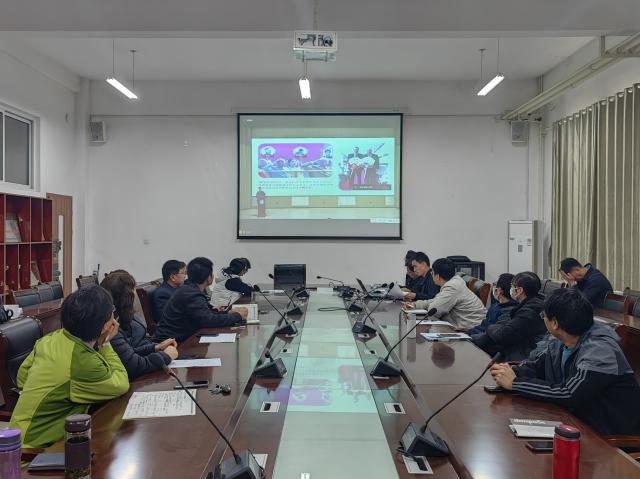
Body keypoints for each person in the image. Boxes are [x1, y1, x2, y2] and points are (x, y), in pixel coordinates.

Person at [491, 288, 640, 436]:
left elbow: (569, 394)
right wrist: (507, 371)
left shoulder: (600, 349)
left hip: (607, 435)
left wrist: (515, 383)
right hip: (574, 422)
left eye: (543, 315)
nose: (543, 319)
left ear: (555, 323)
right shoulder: (562, 340)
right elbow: (536, 367)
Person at [9, 286, 129, 448]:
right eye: (111, 312)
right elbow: (121, 384)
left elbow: (22, 378)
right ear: (105, 326)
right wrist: (106, 344)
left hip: (15, 439)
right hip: (36, 452)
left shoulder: (51, 338)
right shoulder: (83, 363)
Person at [101, 271, 179, 379]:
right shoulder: (109, 327)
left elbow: (128, 352)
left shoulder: (116, 320)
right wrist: (166, 356)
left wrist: (155, 348)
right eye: (134, 290)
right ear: (128, 297)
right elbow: (135, 366)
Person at [154, 257, 248, 342]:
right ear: (208, 278)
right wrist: (237, 315)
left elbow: (204, 314)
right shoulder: (191, 294)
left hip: (180, 338)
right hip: (171, 343)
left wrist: (227, 313)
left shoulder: (189, 289)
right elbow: (208, 320)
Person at [471, 272, 546, 361]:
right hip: (515, 349)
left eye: (512, 286)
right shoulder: (529, 305)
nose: (510, 289)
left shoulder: (529, 311)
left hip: (521, 357)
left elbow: (503, 336)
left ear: (519, 290)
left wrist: (490, 327)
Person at [408, 258, 485, 330]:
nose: (431, 275)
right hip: (467, 325)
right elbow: (436, 300)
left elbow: (434, 310)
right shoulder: (454, 282)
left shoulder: (452, 287)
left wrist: (417, 305)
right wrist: (415, 304)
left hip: (472, 329)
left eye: (432, 273)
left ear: (437, 276)